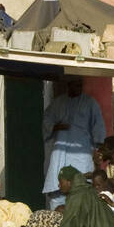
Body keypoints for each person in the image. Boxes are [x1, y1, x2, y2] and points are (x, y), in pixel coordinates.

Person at [42, 77, 105, 209]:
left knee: (81, 187)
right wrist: (57, 127)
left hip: (82, 152)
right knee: (57, 187)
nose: (77, 89)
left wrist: (97, 150)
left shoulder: (90, 103)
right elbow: (46, 121)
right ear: (68, 86)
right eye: (74, 86)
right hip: (60, 151)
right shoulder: (58, 103)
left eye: (79, 85)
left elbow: (98, 127)